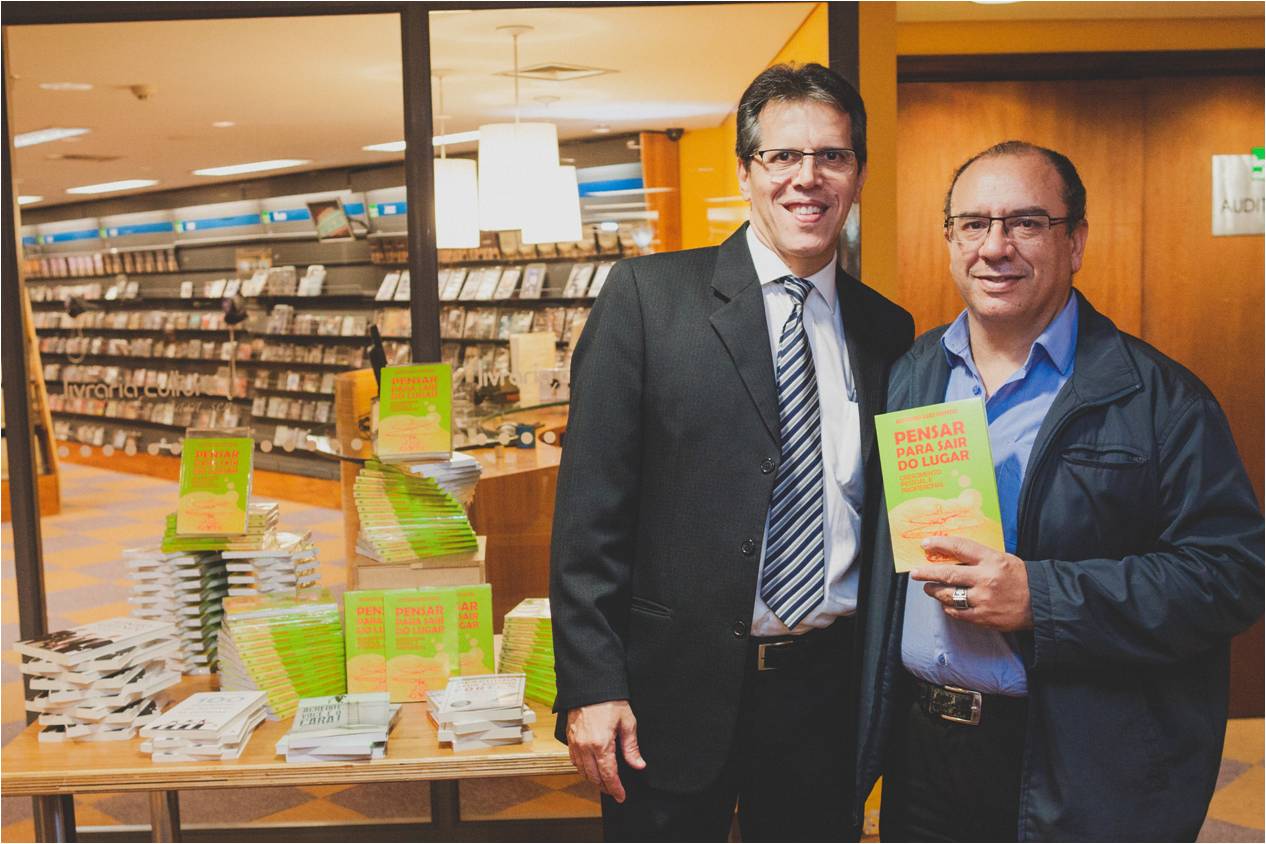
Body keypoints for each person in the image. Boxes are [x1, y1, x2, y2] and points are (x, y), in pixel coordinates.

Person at [855, 140, 1265, 841]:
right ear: (950, 239)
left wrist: (1042, 599)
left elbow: (1232, 575)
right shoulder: (909, 375)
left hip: (1080, 762)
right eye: (974, 224)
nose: (996, 246)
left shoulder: (1158, 398)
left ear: (1075, 241)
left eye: (1026, 223)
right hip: (921, 756)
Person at [549, 62, 913, 841]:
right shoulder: (649, 300)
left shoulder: (889, 331)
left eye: (832, 157)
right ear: (746, 171)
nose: (806, 178)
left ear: (858, 174)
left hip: (826, 693)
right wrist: (591, 684)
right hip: (667, 695)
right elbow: (589, 519)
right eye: (783, 156)